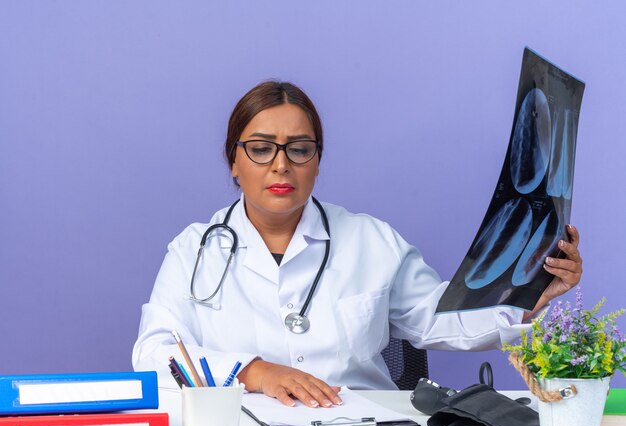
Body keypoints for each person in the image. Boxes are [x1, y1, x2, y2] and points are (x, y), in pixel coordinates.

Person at [132, 81, 583, 408]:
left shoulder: (370, 240)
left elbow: (442, 320)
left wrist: (527, 297)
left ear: (317, 161)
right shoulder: (194, 251)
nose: (281, 165)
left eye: (299, 148)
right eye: (261, 148)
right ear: (234, 161)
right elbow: (153, 355)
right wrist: (254, 371)